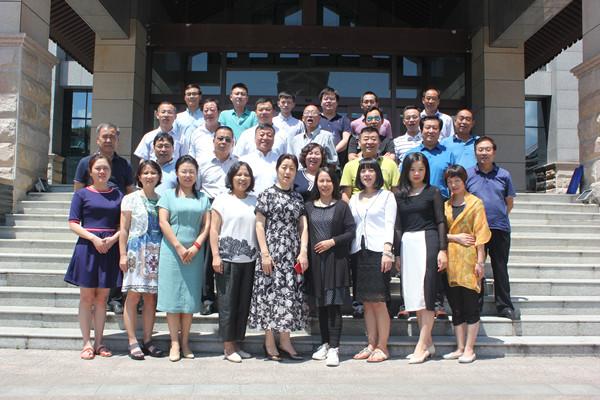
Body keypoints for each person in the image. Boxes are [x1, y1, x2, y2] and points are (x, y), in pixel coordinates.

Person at [248, 154, 309, 361]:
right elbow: (259, 225)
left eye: (292, 168)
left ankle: (285, 340)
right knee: (270, 294)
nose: (287, 172)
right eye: (284, 167)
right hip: (272, 252)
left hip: (291, 253)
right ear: (277, 169)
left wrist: (303, 250)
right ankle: (269, 342)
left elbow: (303, 226)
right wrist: (264, 253)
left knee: (288, 295)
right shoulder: (266, 194)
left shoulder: (298, 197)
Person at [65, 153, 123, 360]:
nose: (102, 172)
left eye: (105, 168)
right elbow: (73, 223)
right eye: (98, 168)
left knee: (102, 299)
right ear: (90, 171)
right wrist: (93, 239)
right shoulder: (81, 194)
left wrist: (113, 239)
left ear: (110, 171)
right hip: (88, 248)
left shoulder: (118, 195)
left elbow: (123, 225)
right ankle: (86, 343)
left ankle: (99, 342)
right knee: (87, 298)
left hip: (109, 248)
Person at [73, 123, 134, 314]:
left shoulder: (125, 164)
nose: (109, 140)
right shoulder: (85, 162)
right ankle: (92, 302)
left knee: (115, 260)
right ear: (97, 139)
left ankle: (114, 299)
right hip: (94, 219)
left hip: (116, 216)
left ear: (117, 140)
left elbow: (130, 192)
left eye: (112, 137)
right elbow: (78, 191)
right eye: (105, 136)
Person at [157, 155, 211, 362]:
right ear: (177, 173)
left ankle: (185, 341)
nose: (188, 175)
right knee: (172, 298)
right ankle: (174, 342)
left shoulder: (203, 198)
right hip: (172, 252)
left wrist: (196, 246)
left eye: (192, 172)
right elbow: (163, 222)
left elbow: (206, 225)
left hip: (194, 253)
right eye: (184, 171)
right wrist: (179, 247)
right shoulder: (168, 195)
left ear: (197, 175)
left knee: (189, 299)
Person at [394, 152, 448, 364]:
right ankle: (429, 343)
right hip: (408, 244)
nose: (417, 173)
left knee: (427, 294)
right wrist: (397, 253)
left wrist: (443, 249)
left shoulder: (433, 192)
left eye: (421, 169)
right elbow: (398, 225)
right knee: (415, 296)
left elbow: (441, 221)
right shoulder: (399, 194)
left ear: (426, 170)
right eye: (412, 169)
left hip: (428, 241)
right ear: (405, 171)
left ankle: (421, 345)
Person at [466, 136, 520, 320]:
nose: (484, 153)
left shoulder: (504, 175)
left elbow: (509, 203)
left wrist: (497, 217)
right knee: (476, 268)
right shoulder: (468, 175)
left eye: (487, 149)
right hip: (475, 230)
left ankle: (504, 306)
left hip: (499, 228)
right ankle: (475, 306)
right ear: (475, 152)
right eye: (480, 149)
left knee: (500, 267)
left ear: (494, 152)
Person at [209, 161, 258, 363]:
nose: (242, 178)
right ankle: (228, 347)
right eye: (239, 174)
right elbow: (214, 230)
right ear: (231, 177)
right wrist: (215, 255)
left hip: (250, 259)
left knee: (242, 304)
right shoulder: (221, 200)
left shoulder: (255, 200)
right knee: (227, 303)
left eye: (246, 175)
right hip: (227, 259)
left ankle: (237, 343)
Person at [307, 167, 355, 367]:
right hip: (316, 263)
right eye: (321, 181)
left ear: (334, 183)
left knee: (334, 305)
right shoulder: (308, 206)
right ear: (316, 183)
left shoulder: (342, 206)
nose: (325, 184)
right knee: (322, 306)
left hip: (336, 261)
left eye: (328, 180)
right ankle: (325, 344)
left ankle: (335, 347)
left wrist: (332, 242)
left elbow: (351, 231)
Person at [349, 158, 396, 363]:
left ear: (377, 173)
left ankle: (382, 347)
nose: (366, 174)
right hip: (359, 252)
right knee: (367, 302)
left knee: (379, 301)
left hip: (379, 252)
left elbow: (390, 224)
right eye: (363, 171)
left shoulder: (387, 196)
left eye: (371, 170)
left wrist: (387, 251)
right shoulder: (354, 198)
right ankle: (371, 344)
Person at [443, 165, 491, 364]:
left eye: (457, 181)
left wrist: (480, 262)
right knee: (456, 307)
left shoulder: (475, 204)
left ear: (464, 181)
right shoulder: (446, 205)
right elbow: (438, 232)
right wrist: (454, 237)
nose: (454, 185)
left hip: (470, 260)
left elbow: (481, 234)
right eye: (450, 182)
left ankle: (470, 349)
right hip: (451, 261)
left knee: (471, 305)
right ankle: (460, 347)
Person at [118, 160, 164, 360]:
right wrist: (122, 254)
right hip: (137, 251)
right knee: (133, 295)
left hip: (156, 252)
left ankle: (148, 340)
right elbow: (124, 229)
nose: (149, 176)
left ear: (159, 176)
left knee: (151, 298)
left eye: (153, 172)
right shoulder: (130, 199)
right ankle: (132, 341)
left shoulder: (162, 199)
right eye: (145, 172)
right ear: (139, 176)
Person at [196, 125, 238, 316]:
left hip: (231, 209)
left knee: (229, 253)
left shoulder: (237, 164)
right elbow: (197, 189)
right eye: (220, 138)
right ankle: (207, 299)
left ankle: (226, 298)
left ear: (233, 143)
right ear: (213, 140)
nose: (223, 142)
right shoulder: (202, 163)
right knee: (207, 257)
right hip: (209, 208)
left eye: (228, 139)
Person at [240, 123, 279, 195]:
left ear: (274, 139)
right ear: (254, 139)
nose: (265, 138)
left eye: (269, 135)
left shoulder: (280, 161)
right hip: (251, 200)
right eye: (262, 135)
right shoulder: (244, 161)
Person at [319, 87, 352, 167]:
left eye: (332, 99)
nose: (329, 101)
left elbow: (345, 140)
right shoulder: (316, 118)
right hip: (317, 161)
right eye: (326, 99)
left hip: (337, 163)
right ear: (321, 102)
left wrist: (331, 153)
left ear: (337, 103)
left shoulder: (344, 120)